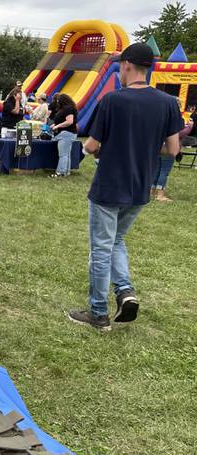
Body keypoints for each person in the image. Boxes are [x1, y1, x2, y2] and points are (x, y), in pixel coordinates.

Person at [68, 43, 182, 330]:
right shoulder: (168, 103)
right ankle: (125, 292)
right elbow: (173, 149)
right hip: (140, 185)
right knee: (116, 241)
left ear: (128, 65)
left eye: (120, 66)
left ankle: (98, 313)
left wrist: (103, 148)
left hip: (109, 184)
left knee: (101, 248)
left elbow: (92, 145)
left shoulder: (112, 101)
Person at [152, 97, 191, 202]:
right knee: (164, 171)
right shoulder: (176, 119)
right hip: (169, 147)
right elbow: (179, 134)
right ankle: (160, 195)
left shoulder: (160, 117)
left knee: (157, 169)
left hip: (159, 147)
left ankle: (152, 191)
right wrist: (190, 127)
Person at [49, 93, 78, 178]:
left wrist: (57, 126)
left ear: (63, 100)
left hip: (66, 133)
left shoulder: (69, 109)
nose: (57, 102)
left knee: (63, 154)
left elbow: (69, 121)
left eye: (58, 100)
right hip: (67, 133)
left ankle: (60, 172)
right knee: (66, 154)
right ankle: (66, 172)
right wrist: (54, 124)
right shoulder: (66, 108)